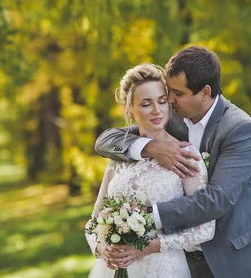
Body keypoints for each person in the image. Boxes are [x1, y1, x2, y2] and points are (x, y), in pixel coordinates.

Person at [95, 46, 251, 278]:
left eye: (177, 93)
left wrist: (144, 217)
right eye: (169, 94)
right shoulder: (171, 115)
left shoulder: (238, 128)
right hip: (181, 261)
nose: (170, 101)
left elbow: (217, 199)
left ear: (205, 92)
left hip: (232, 259)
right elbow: (107, 140)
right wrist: (151, 148)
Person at [85, 63, 215, 278]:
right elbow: (94, 220)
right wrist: (101, 249)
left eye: (162, 101)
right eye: (146, 104)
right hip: (112, 270)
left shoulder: (187, 156)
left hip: (164, 268)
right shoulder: (120, 158)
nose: (157, 110)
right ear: (129, 109)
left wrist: (150, 247)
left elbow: (205, 229)